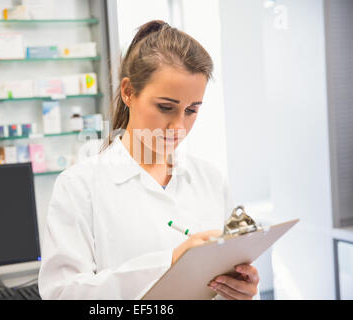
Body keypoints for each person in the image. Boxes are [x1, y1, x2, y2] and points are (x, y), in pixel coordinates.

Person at [38, 20, 260, 300]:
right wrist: (168, 264)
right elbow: (63, 294)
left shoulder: (210, 180)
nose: (178, 126)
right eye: (165, 107)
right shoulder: (79, 187)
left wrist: (242, 291)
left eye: (191, 110)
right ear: (129, 92)